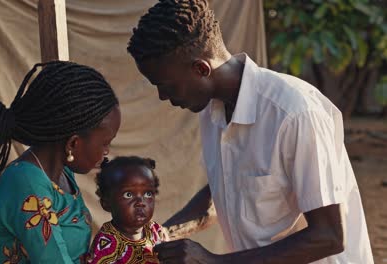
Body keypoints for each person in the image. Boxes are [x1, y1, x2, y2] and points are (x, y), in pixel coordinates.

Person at [127, 0, 374, 263]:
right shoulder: (213, 111)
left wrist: (215, 261)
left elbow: (329, 236)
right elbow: (223, 194)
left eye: (166, 85)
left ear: (201, 69)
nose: (162, 96)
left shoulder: (294, 113)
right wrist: (158, 236)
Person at [0, 61, 121, 263]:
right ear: (73, 143)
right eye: (105, 143)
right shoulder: (25, 182)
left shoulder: (62, 174)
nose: (107, 152)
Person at [86, 156, 168, 264]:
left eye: (148, 194)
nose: (140, 202)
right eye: (128, 194)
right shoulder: (106, 244)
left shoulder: (156, 230)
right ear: (106, 203)